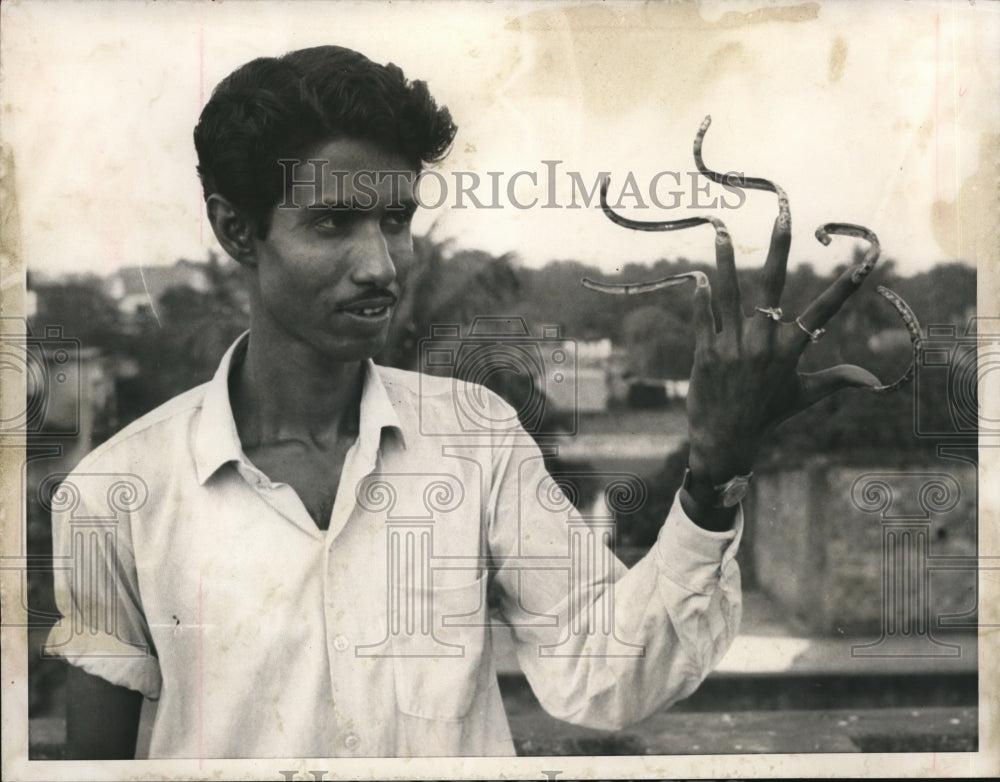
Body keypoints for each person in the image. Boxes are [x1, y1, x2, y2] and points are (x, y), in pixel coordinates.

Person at [46, 45, 883, 759]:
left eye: (397, 219)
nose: (382, 264)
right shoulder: (119, 492)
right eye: (334, 225)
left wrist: (716, 469)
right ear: (237, 231)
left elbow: (603, 675)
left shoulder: (474, 436)